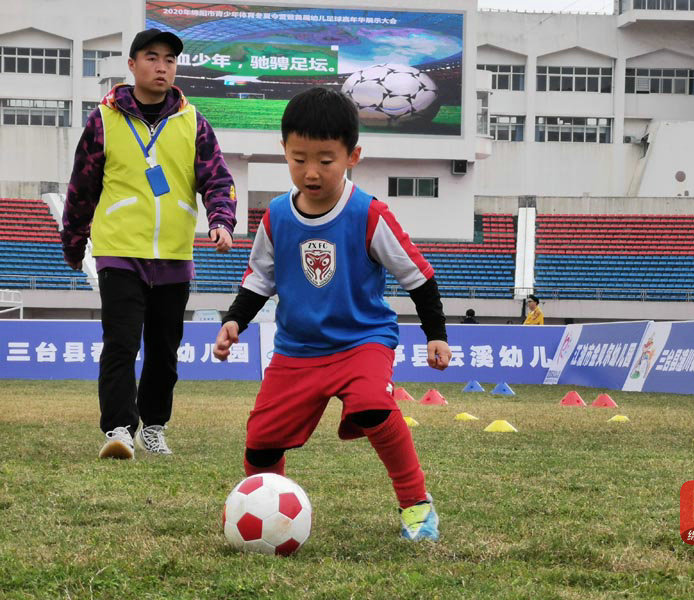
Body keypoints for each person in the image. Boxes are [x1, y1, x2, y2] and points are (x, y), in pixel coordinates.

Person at [213, 87, 451, 542]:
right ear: (284, 150)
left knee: (373, 406)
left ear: (352, 156)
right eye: (299, 158)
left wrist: (435, 334)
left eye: (326, 159)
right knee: (260, 441)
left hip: (362, 342)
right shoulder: (276, 217)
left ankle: (416, 504)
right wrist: (234, 321)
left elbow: (418, 276)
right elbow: (259, 279)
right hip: (297, 351)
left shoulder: (369, 214)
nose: (311, 171)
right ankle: (264, 512)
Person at [61, 29, 237, 460]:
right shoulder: (103, 120)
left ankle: (154, 426)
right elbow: (82, 185)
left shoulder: (193, 121)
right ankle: (118, 429)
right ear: (133, 64)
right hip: (119, 251)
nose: (162, 66)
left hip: (175, 255)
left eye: (170, 60)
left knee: (164, 351)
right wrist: (74, 239)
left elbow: (217, 179)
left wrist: (221, 220)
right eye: (152, 57)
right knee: (121, 343)